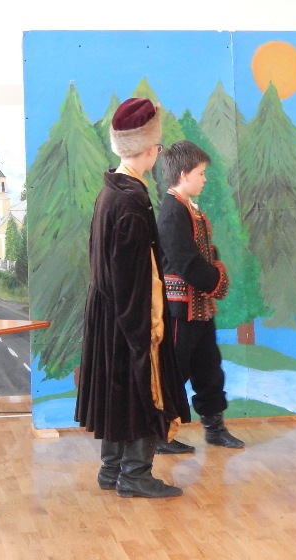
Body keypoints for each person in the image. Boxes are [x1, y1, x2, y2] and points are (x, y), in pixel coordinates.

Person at [75, 97, 191, 498]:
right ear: (149, 150)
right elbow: (135, 274)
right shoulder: (132, 200)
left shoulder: (111, 190)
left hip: (110, 312)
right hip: (131, 314)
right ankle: (135, 475)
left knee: (118, 391)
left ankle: (112, 469)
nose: (158, 152)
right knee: (142, 389)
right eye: (157, 146)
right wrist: (147, 329)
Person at [155, 139, 245, 454]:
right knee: (174, 370)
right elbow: (184, 261)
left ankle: (214, 428)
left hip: (200, 307)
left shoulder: (187, 206)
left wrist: (212, 272)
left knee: (209, 367)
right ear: (184, 174)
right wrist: (216, 280)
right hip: (180, 309)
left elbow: (203, 251)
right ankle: (160, 434)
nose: (205, 179)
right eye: (201, 173)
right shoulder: (172, 211)